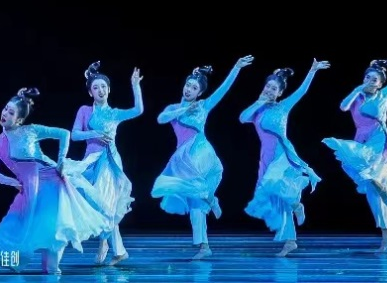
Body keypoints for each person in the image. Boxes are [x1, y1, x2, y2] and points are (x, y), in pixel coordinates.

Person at [0, 88, 109, 275]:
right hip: (31, 188)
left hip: (53, 183)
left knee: (53, 233)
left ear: (19, 120)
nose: (5, 114)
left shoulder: (30, 130)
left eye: (11, 112)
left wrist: (61, 162)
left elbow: (64, 134)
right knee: (19, 227)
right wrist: (14, 183)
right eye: (5, 109)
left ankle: (51, 268)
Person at [321, 47, 387, 252]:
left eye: (374, 79)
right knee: (366, 185)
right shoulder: (357, 97)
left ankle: (376, 183)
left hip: (379, 140)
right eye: (367, 78)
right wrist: (357, 89)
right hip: (361, 141)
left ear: (380, 84)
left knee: (364, 169)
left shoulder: (383, 95)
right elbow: (343, 107)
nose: (370, 81)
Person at [150, 55, 253, 259]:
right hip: (185, 159)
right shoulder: (173, 109)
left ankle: (209, 197)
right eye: (188, 85)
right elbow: (161, 118)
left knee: (193, 186)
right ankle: (204, 246)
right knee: (195, 204)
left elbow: (223, 89)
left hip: (202, 154)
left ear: (200, 93)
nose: (189, 89)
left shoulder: (203, 106)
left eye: (194, 88)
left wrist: (236, 67)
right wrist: (184, 108)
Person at [240, 61, 327, 257]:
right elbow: (242, 118)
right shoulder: (258, 110)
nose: (269, 90)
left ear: (279, 93)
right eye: (268, 86)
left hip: (282, 154)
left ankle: (296, 205)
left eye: (274, 89)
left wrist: (312, 71)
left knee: (274, 185)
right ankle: (290, 241)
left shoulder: (283, 107)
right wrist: (259, 102)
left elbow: (302, 91)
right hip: (266, 155)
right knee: (275, 197)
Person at [72, 61, 143, 265]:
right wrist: (93, 133)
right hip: (90, 163)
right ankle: (106, 242)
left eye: (103, 86)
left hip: (110, 163)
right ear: (90, 92)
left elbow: (138, 110)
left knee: (107, 205)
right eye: (96, 87)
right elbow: (75, 135)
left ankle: (113, 248)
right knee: (95, 206)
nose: (100, 90)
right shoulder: (85, 110)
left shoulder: (114, 113)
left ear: (109, 89)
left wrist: (135, 86)